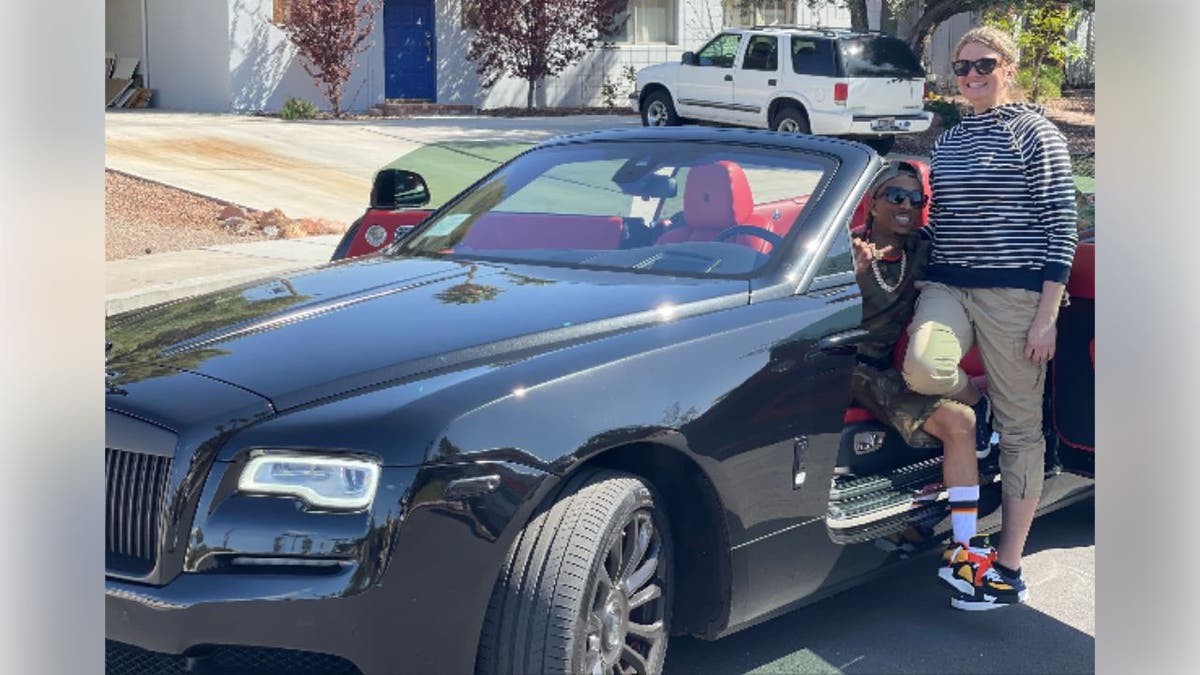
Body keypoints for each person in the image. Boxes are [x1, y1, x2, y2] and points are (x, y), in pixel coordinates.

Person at [902, 26, 1078, 611]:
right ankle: (977, 401)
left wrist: (1046, 317)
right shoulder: (950, 140)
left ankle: (1005, 567)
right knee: (924, 368)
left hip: (1016, 294)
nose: (971, 75)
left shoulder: (1035, 133)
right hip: (951, 281)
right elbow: (943, 222)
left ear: (1009, 66)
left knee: (1022, 432)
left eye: (983, 64)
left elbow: (1062, 228)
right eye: (960, 66)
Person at [849, 161, 992, 561]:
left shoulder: (923, 248)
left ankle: (964, 546)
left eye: (917, 199)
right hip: (841, 369)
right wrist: (849, 277)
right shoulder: (844, 251)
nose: (907, 206)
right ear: (872, 204)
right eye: (896, 196)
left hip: (891, 373)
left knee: (961, 423)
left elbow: (974, 232)